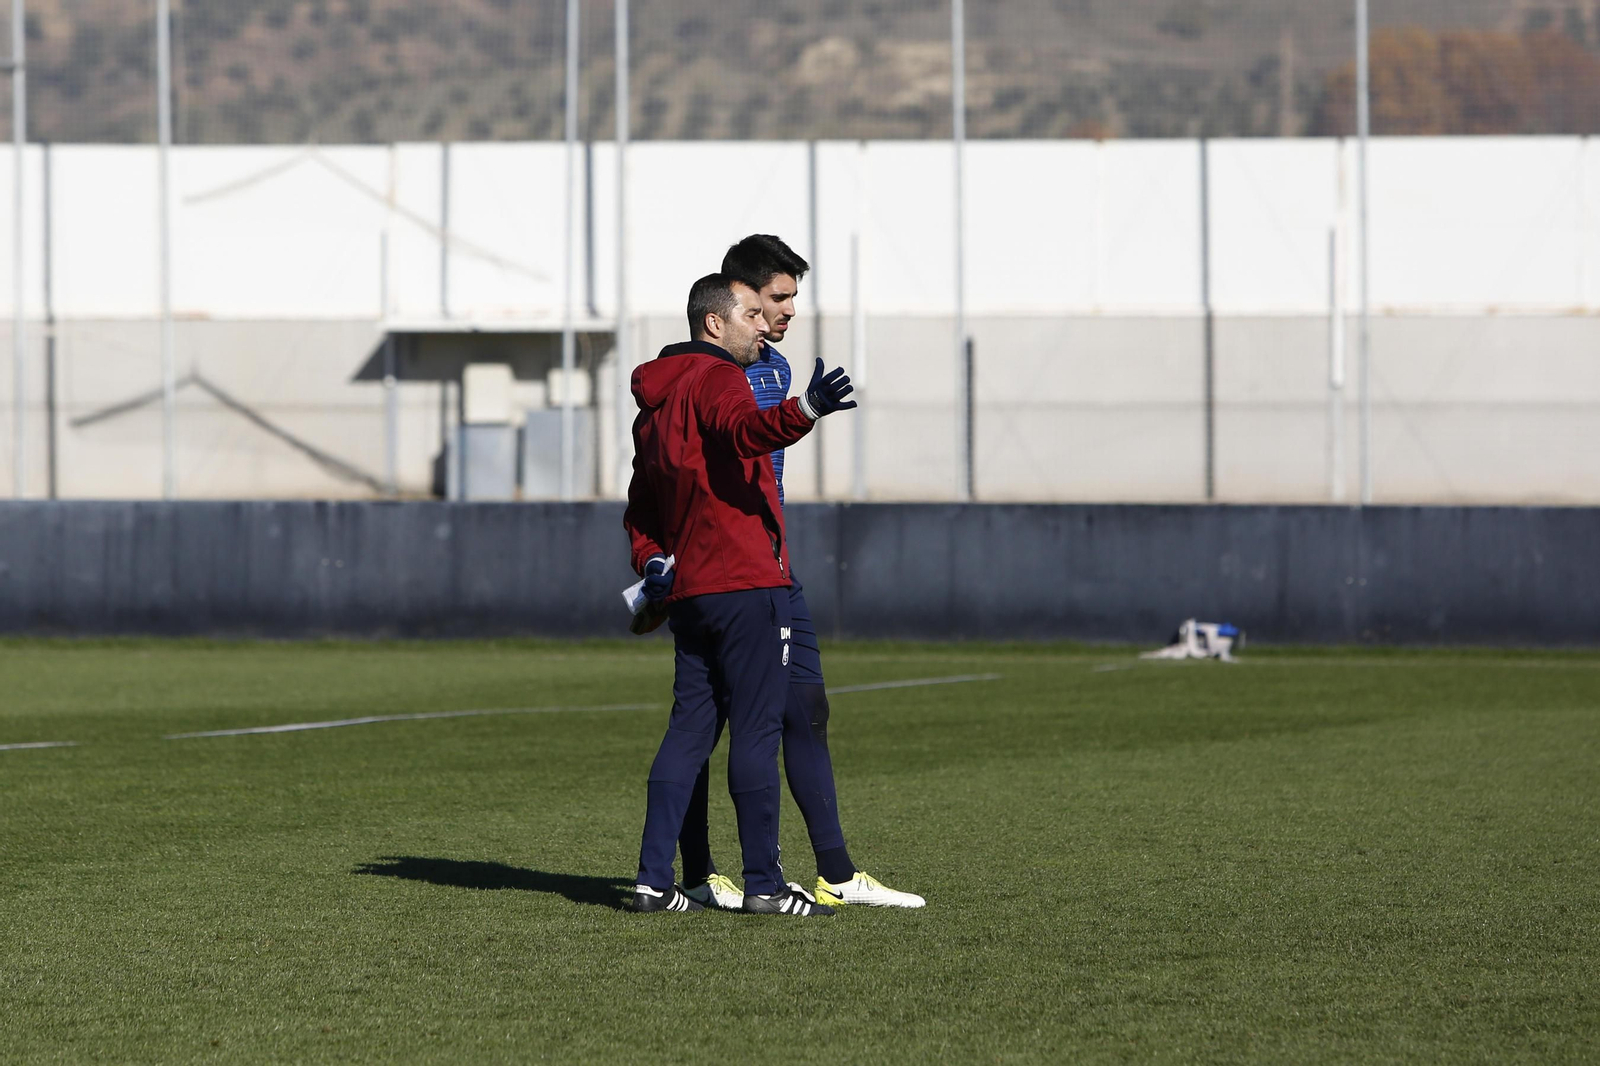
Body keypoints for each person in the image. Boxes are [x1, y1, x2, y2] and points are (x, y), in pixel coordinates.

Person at [676, 234, 926, 910]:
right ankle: (704, 874)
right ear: (737, 302)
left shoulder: (777, 368)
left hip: (776, 567)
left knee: (806, 710)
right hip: (729, 573)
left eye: (793, 297)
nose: (789, 310)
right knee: (710, 724)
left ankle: (838, 876)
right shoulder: (707, 375)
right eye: (777, 298)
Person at [625, 272, 858, 916]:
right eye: (753, 314)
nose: (764, 325)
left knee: (688, 731)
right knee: (756, 731)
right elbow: (740, 432)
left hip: (689, 592)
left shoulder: (655, 401)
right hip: (747, 582)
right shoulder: (719, 377)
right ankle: (763, 887)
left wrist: (649, 563)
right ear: (715, 324)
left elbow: (640, 505)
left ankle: (652, 881)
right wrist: (805, 411)